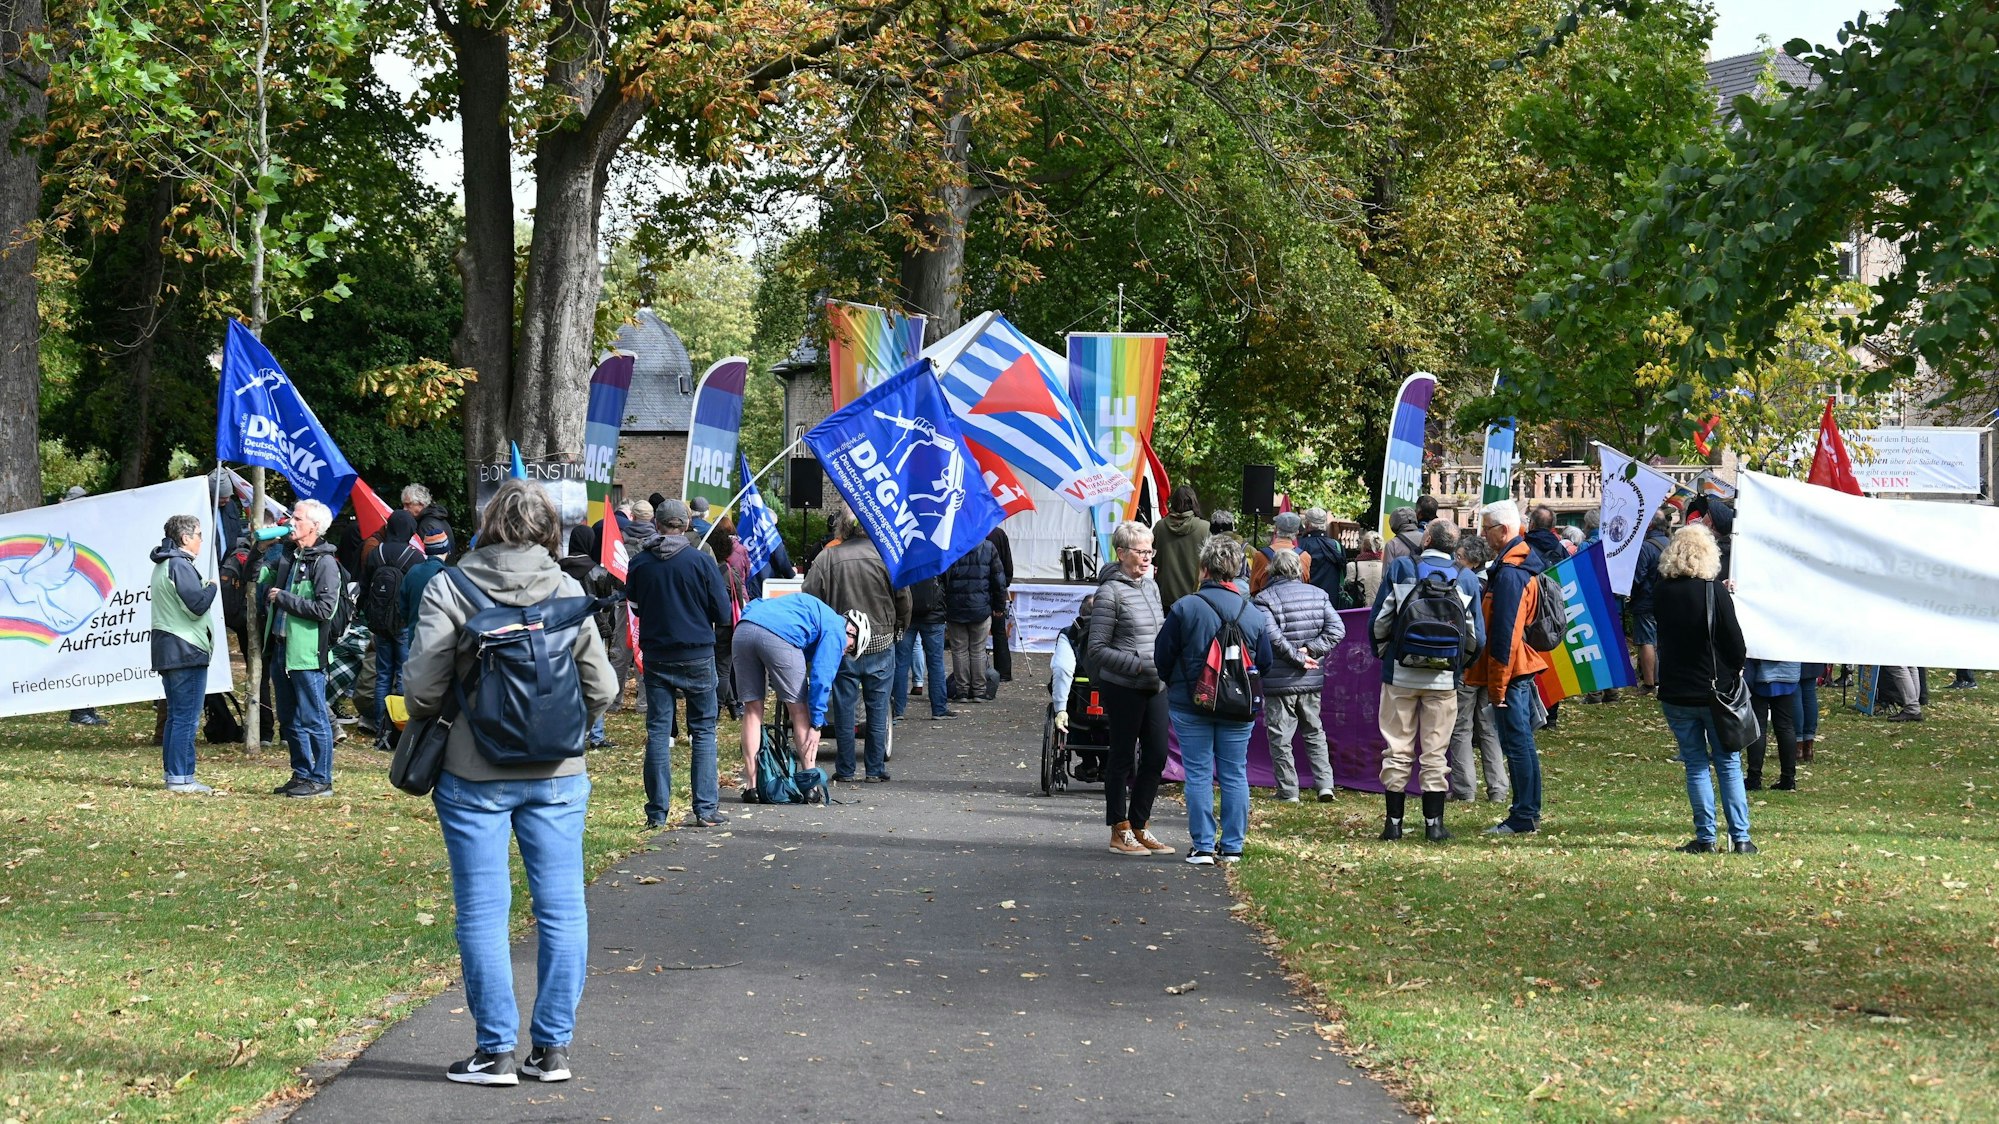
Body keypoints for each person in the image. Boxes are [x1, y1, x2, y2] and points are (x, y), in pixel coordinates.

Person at [402, 479, 617, 1085]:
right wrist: (560, 726)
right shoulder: (568, 588)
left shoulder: (450, 586)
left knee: (482, 910)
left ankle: (494, 1051)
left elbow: (422, 690)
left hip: (473, 773)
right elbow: (602, 688)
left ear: (489, 523)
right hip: (558, 775)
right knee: (563, 909)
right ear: (548, 529)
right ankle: (553, 1051)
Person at [1157, 534, 1272, 866]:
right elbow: (1265, 662)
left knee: (1198, 772)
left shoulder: (1185, 607)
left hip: (1191, 702)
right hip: (1238, 705)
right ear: (1236, 570)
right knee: (1235, 772)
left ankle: (1203, 846)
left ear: (1203, 568)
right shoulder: (1253, 613)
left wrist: (1176, 682)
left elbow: (1162, 655)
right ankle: (1233, 846)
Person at [1370, 521, 1481, 841]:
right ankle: (1434, 825)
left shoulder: (1402, 568)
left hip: (1400, 673)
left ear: (1428, 538)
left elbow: (1380, 620)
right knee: (1436, 751)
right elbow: (1476, 636)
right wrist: (1457, 667)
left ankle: (1393, 824)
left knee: (1397, 748)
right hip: (1443, 679)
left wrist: (1385, 654)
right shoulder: (1467, 578)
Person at [626, 499, 733, 828]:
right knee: (703, 731)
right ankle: (706, 809)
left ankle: (657, 813)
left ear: (657, 525)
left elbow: (634, 606)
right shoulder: (700, 561)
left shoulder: (640, 563)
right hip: (697, 652)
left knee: (659, 732)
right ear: (686, 525)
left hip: (657, 654)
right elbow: (723, 612)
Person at [1651, 522, 1755, 854]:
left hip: (1676, 690)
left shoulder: (1661, 592)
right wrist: (1734, 669)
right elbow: (1735, 644)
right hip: (1716, 691)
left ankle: (1706, 837)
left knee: (1695, 764)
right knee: (1728, 763)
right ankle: (1741, 838)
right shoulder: (1714, 592)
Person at [804, 507, 910, 782]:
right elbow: (903, 599)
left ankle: (846, 769)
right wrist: (899, 628)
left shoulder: (826, 557)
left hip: (842, 643)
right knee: (878, 706)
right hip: (881, 641)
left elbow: (809, 597)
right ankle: (875, 769)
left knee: (844, 708)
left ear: (842, 527)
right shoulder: (887, 557)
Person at [1466, 500, 1551, 836]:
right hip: (1513, 670)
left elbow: (1506, 634)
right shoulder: (1511, 566)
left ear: (1503, 530)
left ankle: (1524, 815)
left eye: (1486, 528)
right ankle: (1525, 812)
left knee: (1517, 744)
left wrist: (1498, 687)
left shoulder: (1512, 572)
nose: (1482, 535)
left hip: (1511, 672)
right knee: (1520, 743)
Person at [1090, 522, 1174, 857]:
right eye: (1141, 551)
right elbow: (1096, 650)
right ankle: (1119, 828)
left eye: (1150, 550)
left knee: (1157, 756)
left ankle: (1140, 825)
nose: (1147, 557)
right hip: (1124, 686)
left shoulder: (1151, 586)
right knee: (1122, 757)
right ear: (1122, 553)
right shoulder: (1109, 592)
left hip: (1156, 683)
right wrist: (1138, 664)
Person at [732, 592, 860, 795]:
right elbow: (821, 677)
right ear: (851, 630)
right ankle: (810, 786)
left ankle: (752, 787)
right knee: (799, 710)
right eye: (850, 647)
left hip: (744, 628)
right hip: (781, 636)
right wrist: (817, 724)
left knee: (752, 709)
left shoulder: (812, 610)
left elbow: (757, 603)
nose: (844, 653)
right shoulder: (836, 628)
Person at [264, 498, 343, 798]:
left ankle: (321, 780)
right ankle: (302, 774)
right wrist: (259, 551)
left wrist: (284, 598)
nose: (290, 523)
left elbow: (325, 609)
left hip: (307, 655)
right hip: (281, 649)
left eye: (297, 519)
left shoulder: (325, 563)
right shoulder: (292, 556)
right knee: (289, 719)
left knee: (313, 717)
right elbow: (254, 577)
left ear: (315, 526)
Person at [1254, 547, 1344, 802]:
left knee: (1280, 737)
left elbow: (1272, 638)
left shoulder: (1263, 599)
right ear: (1299, 570)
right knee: (1314, 731)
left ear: (1271, 570)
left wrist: (1299, 656)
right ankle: (1325, 785)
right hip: (1310, 677)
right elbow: (1337, 630)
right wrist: (1310, 652)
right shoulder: (1319, 594)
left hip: (1279, 680)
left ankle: (1288, 791)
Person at [149, 514, 218, 794]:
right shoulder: (179, 565)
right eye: (199, 535)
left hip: (173, 649)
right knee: (186, 718)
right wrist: (212, 587)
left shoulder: (166, 563)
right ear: (186, 538)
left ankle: (173, 774)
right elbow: (196, 606)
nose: (202, 540)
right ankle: (181, 777)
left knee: (177, 717)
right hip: (185, 650)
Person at [1446, 535, 1506, 805]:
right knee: (1488, 728)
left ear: (1472, 560)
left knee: (1461, 727)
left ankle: (1465, 788)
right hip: (1491, 665)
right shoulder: (1498, 582)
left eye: (1458, 556)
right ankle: (1498, 788)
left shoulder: (1467, 584)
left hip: (1470, 666)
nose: (1455, 561)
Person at [363, 510, 424, 750]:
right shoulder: (414, 557)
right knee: (403, 674)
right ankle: (400, 731)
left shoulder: (374, 552)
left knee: (383, 675)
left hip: (379, 623)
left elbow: (365, 586)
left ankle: (381, 730)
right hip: (402, 623)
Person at [60, 485, 108, 727]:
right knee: (80, 656)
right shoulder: (67, 530)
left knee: (88, 654)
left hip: (84, 599)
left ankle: (88, 707)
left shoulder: (80, 529)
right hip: (73, 602)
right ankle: (79, 711)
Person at [942, 530, 1007, 703]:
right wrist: (999, 606)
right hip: (980, 608)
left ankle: (962, 691)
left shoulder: (951, 547)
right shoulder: (988, 547)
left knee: (959, 650)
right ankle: (979, 691)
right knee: (978, 650)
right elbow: (999, 581)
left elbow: (943, 578)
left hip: (955, 608)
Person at [1628, 509, 1674, 695]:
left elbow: (1638, 577)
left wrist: (1628, 593)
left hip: (1647, 600)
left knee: (1646, 641)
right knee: (1662, 641)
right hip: (1668, 600)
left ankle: (1648, 684)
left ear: (1649, 525)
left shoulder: (1645, 547)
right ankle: (1663, 680)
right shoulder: (1671, 544)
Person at [896, 574, 954, 721]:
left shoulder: (903, 559)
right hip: (934, 615)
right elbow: (948, 582)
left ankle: (897, 709)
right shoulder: (935, 559)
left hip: (907, 614)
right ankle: (939, 709)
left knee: (901, 664)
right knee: (936, 664)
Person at [1744, 659, 1802, 791]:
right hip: (1788, 672)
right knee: (1785, 727)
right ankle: (1788, 778)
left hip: (1760, 673)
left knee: (1758, 727)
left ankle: (1753, 779)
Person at [1150, 484, 1210, 609]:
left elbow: (1152, 558)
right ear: (1194, 502)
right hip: (1196, 597)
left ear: (1173, 503)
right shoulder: (1205, 528)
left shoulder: (1160, 527)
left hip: (1165, 597)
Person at [1296, 508, 1348, 608]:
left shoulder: (1299, 545)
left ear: (1307, 524)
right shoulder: (1336, 545)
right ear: (1325, 523)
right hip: (1331, 604)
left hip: (1305, 604)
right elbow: (1343, 574)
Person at [1249, 511, 1311, 594]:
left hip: (1267, 600)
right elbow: (1305, 584)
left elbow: (1253, 590)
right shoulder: (1304, 557)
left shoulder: (1260, 555)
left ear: (1275, 530)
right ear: (1297, 533)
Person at [987, 525, 1015, 682]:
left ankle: (977, 672)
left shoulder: (972, 532)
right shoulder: (999, 533)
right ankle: (1003, 672)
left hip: (979, 591)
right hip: (998, 589)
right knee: (999, 632)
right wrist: (1005, 582)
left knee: (974, 636)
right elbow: (1008, 564)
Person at [1685, 494, 1734, 579]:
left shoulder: (1699, 552)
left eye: (1706, 514)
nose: (1701, 519)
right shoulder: (1731, 553)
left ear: (1710, 524)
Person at [402, 483, 455, 559]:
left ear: (421, 504)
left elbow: (428, 557)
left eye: (408, 505)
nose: (404, 509)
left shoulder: (426, 525)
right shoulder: (437, 516)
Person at [1352, 531, 1386, 607]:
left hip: (1358, 610)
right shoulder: (1386, 567)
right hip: (1380, 609)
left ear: (1363, 546)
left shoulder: (1353, 566)